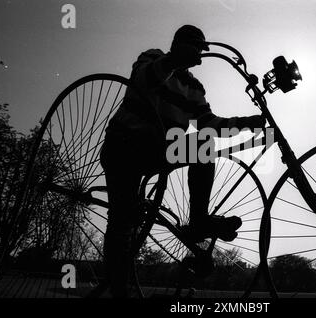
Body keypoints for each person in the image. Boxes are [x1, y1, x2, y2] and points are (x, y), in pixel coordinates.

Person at [100, 25, 264, 297]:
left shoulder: (195, 87)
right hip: (123, 147)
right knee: (122, 221)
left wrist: (246, 123)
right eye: (192, 47)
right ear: (176, 44)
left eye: (199, 49)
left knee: (203, 143)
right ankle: (118, 291)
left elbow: (208, 124)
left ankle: (198, 220)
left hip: (157, 150)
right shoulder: (153, 58)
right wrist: (174, 61)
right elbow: (143, 82)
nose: (197, 53)